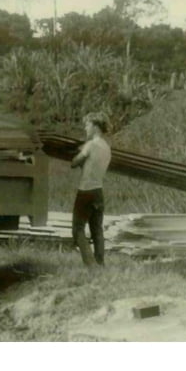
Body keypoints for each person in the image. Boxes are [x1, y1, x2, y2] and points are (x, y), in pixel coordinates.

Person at [70, 111, 112, 267]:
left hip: (85, 191)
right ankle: (100, 263)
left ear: (95, 126)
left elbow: (74, 163)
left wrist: (77, 153)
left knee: (78, 230)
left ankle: (91, 265)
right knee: (97, 231)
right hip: (98, 192)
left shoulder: (91, 145)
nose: (85, 128)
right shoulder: (107, 148)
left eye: (87, 125)